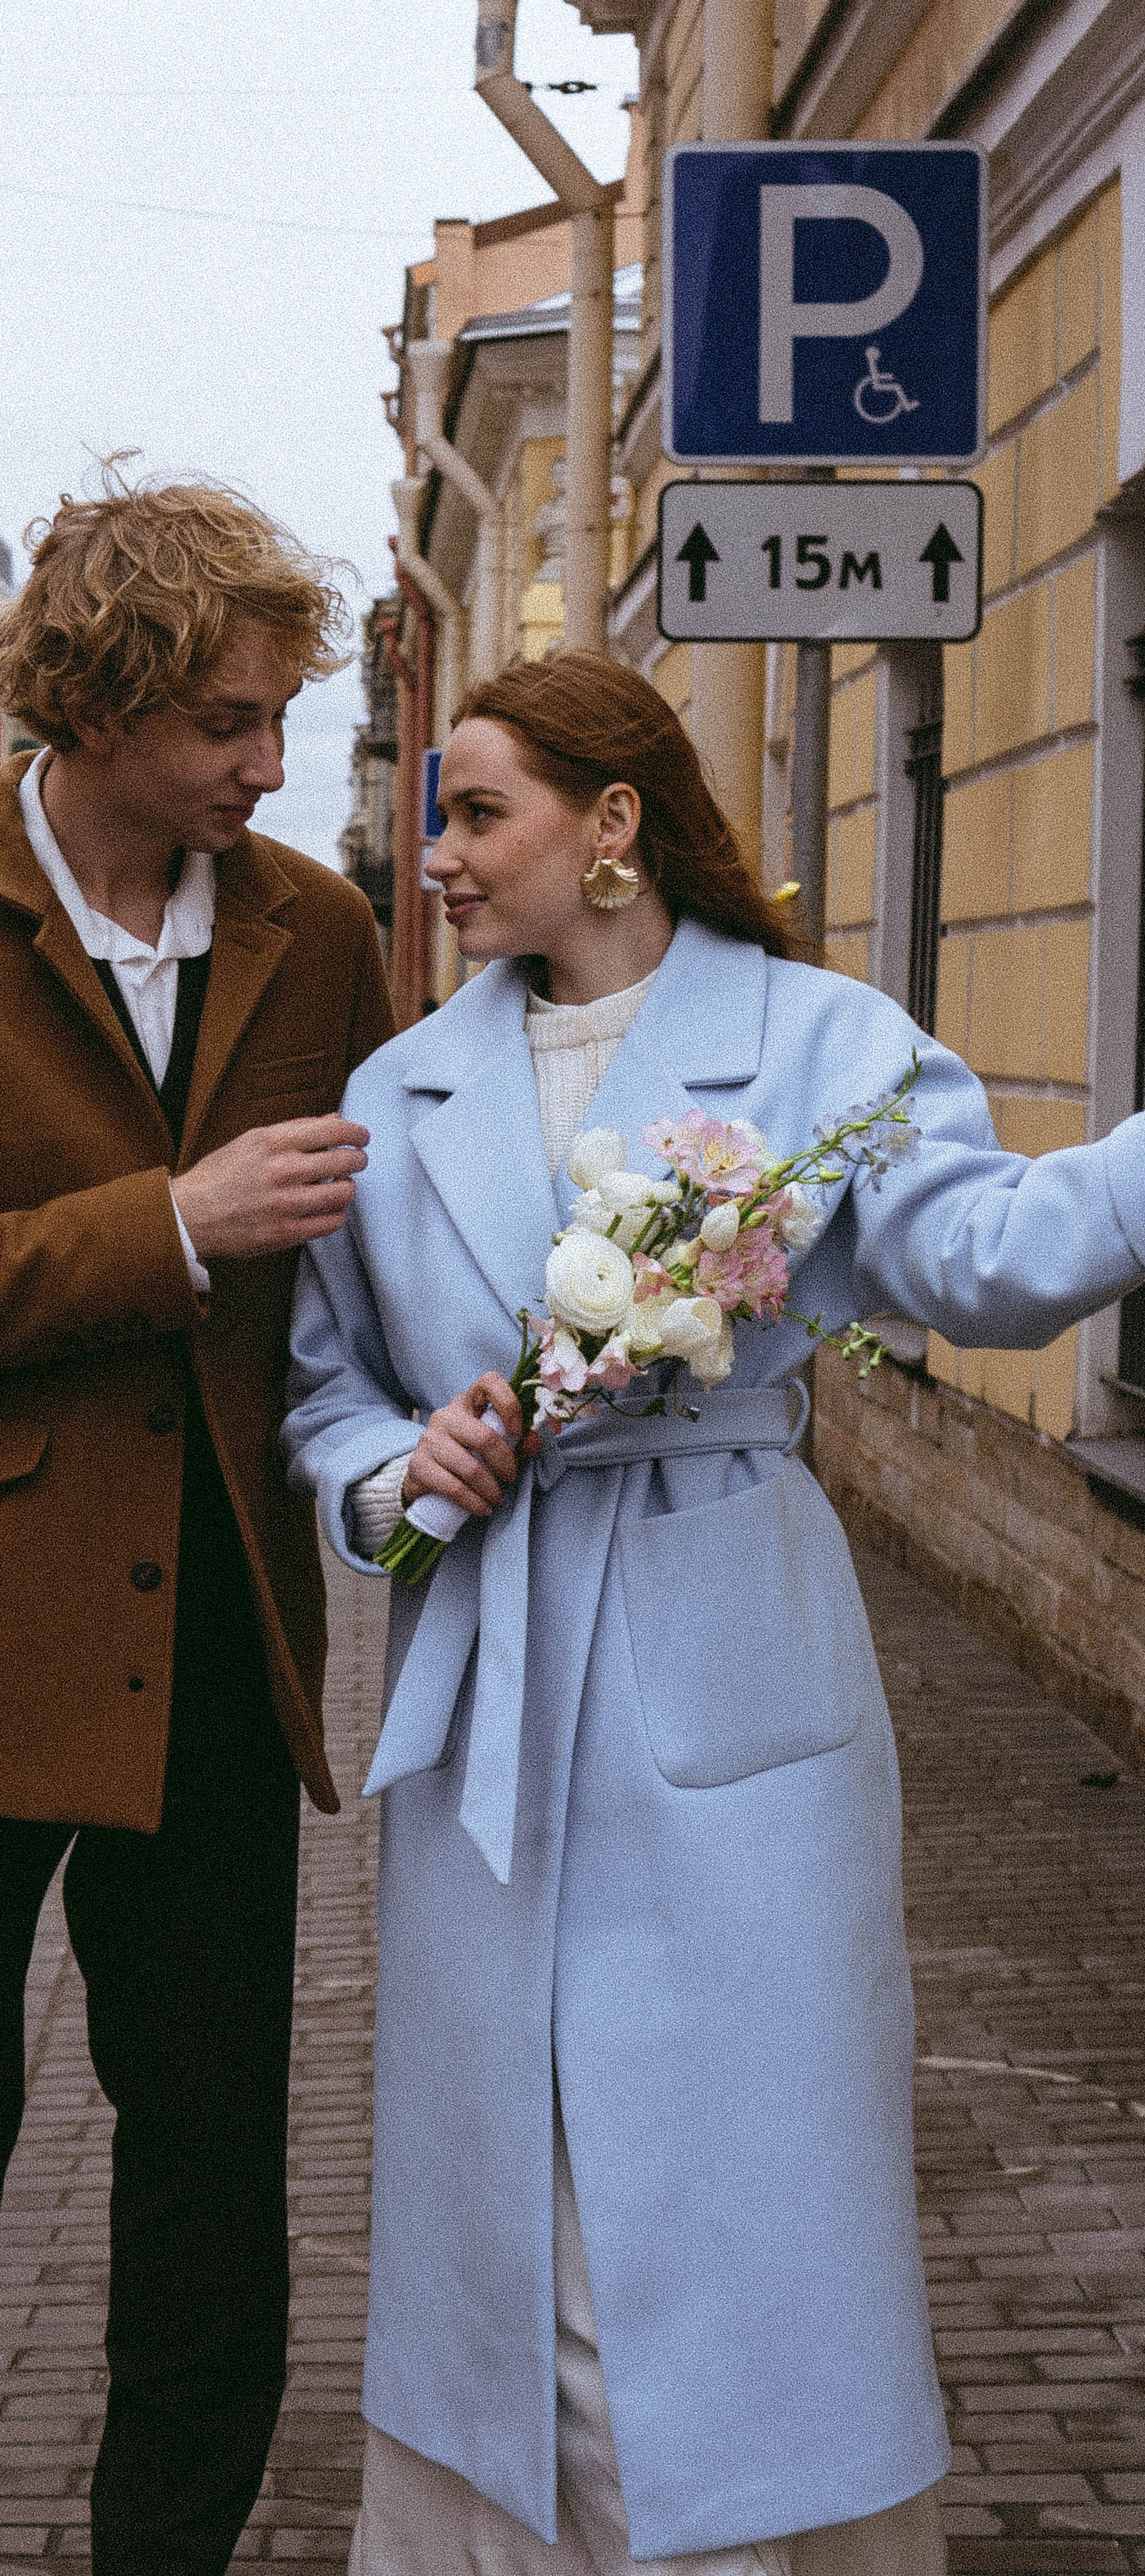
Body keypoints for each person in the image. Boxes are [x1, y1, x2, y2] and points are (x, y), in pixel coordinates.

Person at [284, 650, 1145, 2576]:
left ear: (612, 824)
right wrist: (400, 1472)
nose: (437, 855)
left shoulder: (824, 1047)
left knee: (741, 2207)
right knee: (528, 2219)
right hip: (494, 1690)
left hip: (729, 1668)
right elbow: (324, 1392)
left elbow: (984, 1262)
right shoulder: (399, 1088)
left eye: (477, 810)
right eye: (433, 812)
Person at [0, 472, 392, 2576]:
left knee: (217, 2170)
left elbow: (394, 1250)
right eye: (229, 721)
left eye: (281, 719)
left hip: (218, 1629)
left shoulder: (320, 931)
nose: (267, 761)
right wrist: (174, 1227)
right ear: (106, 707)